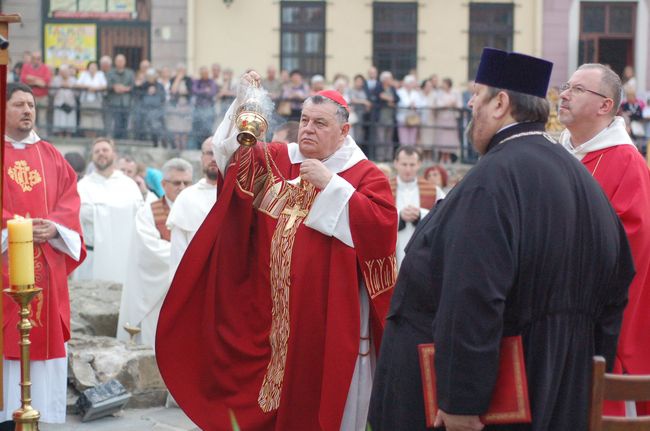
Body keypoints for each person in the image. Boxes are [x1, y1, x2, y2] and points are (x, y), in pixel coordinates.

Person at [368, 48, 636, 431]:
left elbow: (472, 294)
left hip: (494, 405)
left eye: (477, 95)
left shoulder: (492, 180)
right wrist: (586, 373)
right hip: (560, 394)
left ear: (501, 104)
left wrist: (461, 400)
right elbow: (616, 287)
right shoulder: (580, 179)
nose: (471, 105)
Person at [156, 76, 397, 430]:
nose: (308, 130)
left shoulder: (364, 175)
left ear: (343, 131)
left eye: (320, 123)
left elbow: (380, 229)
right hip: (270, 316)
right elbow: (233, 159)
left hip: (327, 319)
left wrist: (331, 186)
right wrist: (245, 103)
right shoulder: (280, 160)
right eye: (304, 120)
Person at [558, 63, 650, 416]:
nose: (564, 94)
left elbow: (630, 245)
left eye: (578, 89)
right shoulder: (560, 154)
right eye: (566, 86)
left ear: (605, 106)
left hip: (598, 323)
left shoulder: (626, 162)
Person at [1, 83, 86, 428]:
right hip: (4, 268)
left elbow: (70, 202)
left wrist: (55, 229)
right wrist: (11, 232)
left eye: (32, 105)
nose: (27, 111)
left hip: (47, 273)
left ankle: (37, 417)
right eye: (19, 104)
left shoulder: (51, 156)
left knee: (43, 336)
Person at [117, 158, 193, 347]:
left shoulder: (199, 209)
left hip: (190, 290)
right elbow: (148, 248)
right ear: (163, 184)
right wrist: (191, 257)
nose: (182, 187)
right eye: (176, 183)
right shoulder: (149, 212)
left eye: (187, 183)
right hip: (157, 294)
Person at [74, 138, 143, 284]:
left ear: (114, 154)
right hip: (92, 258)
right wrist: (118, 209)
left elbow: (139, 215)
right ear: (92, 157)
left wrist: (98, 210)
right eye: (97, 151)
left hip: (122, 257)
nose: (101, 154)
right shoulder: (83, 186)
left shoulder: (128, 185)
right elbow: (82, 214)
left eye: (105, 150)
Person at [166, 138, 218, 279]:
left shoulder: (237, 196)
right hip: (193, 279)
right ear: (202, 157)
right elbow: (178, 253)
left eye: (218, 152)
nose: (213, 158)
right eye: (209, 153)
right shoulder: (187, 197)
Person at [390, 146, 438, 268]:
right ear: (395, 163)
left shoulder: (433, 190)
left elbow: (442, 216)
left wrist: (420, 215)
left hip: (422, 251)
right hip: (393, 248)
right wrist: (399, 216)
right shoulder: (384, 188)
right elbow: (375, 217)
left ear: (419, 164)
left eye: (412, 165)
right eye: (404, 164)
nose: (408, 169)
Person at [19, 51, 51, 130]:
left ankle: (42, 136)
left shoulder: (45, 68)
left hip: (42, 96)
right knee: (30, 116)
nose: (36, 60)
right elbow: (23, 79)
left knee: (42, 117)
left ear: (41, 59)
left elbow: (44, 83)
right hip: (29, 97)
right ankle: (30, 135)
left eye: (38, 58)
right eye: (34, 58)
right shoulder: (26, 67)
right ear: (31, 59)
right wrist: (38, 80)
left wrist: (31, 78)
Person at [106, 54, 135, 139]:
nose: (120, 63)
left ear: (125, 62)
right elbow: (108, 85)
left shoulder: (130, 73)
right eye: (118, 61)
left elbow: (133, 86)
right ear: (115, 62)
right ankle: (116, 138)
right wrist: (115, 87)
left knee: (125, 121)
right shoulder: (110, 73)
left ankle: (124, 138)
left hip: (126, 101)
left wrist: (125, 89)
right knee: (116, 121)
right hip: (115, 101)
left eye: (122, 61)